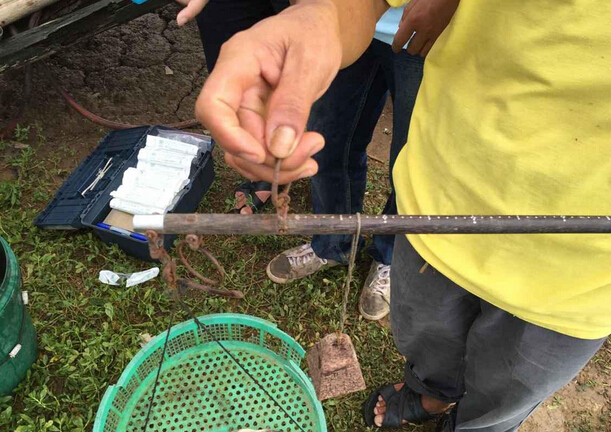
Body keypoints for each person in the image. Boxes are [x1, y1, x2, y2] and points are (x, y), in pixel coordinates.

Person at [189, 0, 611, 430]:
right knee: (426, 335)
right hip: (435, 207)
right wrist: (318, 20)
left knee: (505, 394)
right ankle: (431, 395)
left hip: (579, 279)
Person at [188, 0, 426, 321]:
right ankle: (333, 243)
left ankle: (389, 256)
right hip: (346, 14)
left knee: (412, 158)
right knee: (327, 140)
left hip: (425, 32)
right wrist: (313, 12)